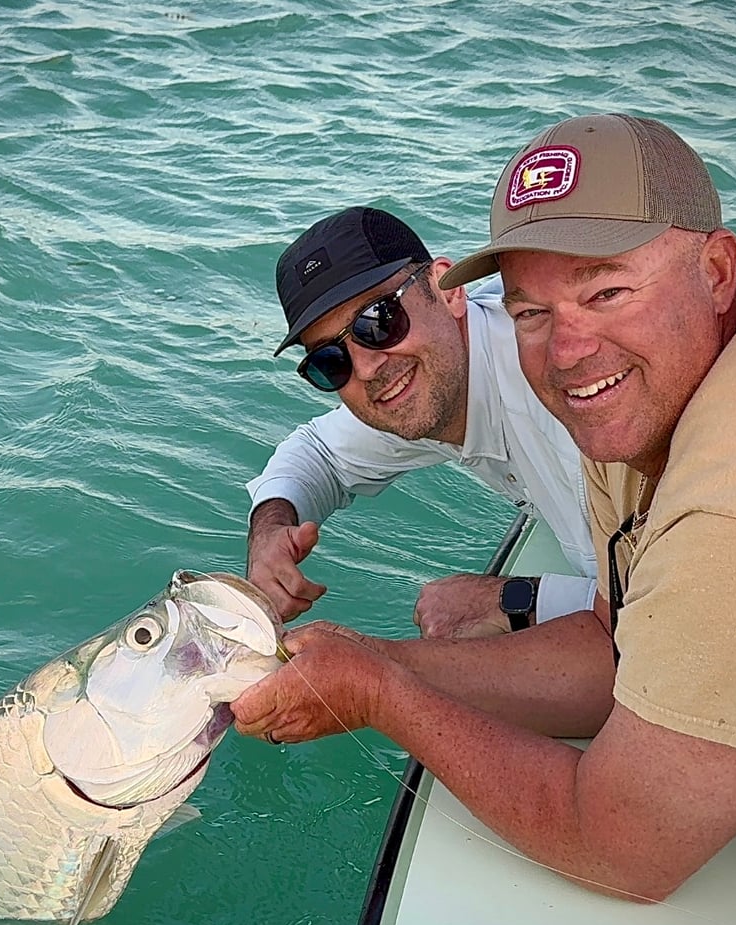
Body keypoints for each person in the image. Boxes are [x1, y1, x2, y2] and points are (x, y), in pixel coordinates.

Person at [232, 113, 736, 903]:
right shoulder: (618, 408)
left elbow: (627, 852)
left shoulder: (723, 499)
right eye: (330, 361)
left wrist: (390, 683)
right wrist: (287, 557)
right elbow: (616, 635)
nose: (567, 350)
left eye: (377, 320)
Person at [247, 205, 597, 639]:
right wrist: (270, 530)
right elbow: (317, 453)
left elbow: (665, 609)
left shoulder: (571, 398)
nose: (367, 368)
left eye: (378, 321)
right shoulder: (433, 376)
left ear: (448, 290)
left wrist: (509, 600)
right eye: (329, 360)